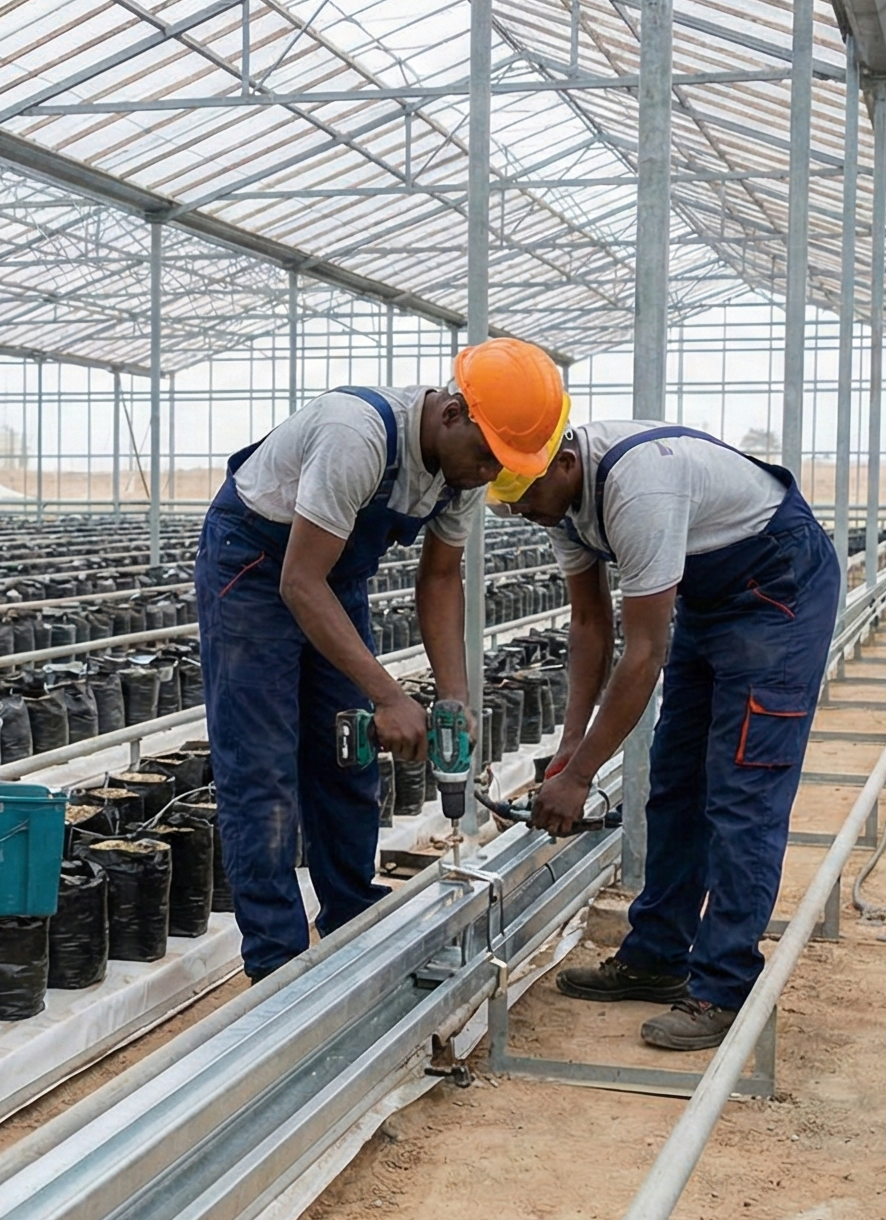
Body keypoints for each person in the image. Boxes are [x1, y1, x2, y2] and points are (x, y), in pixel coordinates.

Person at [194, 341, 569, 980]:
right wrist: (390, 696)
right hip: (255, 571)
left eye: (499, 465)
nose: (485, 473)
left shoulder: (462, 475)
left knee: (347, 755)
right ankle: (277, 964)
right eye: (484, 456)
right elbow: (297, 583)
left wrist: (453, 694)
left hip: (330, 579)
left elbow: (440, 580)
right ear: (453, 413)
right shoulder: (357, 435)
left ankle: (351, 919)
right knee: (263, 770)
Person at [501, 419, 843, 1050]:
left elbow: (645, 653)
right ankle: (657, 955)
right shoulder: (565, 505)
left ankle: (722, 985)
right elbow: (589, 626)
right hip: (710, 603)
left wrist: (579, 780)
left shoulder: (637, 488)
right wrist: (572, 743)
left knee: (743, 791)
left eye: (522, 494)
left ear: (565, 465)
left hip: (778, 591)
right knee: (676, 780)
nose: (519, 510)